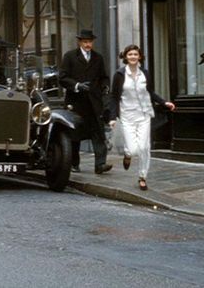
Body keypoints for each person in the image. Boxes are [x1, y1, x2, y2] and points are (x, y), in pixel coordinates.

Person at [108, 45, 175, 190]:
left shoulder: (145, 73)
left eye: (135, 54)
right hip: (127, 115)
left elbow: (150, 92)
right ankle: (127, 154)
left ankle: (142, 176)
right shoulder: (119, 75)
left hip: (144, 114)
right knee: (133, 149)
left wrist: (164, 102)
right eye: (130, 54)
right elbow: (114, 97)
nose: (133, 57)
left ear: (139, 57)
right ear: (126, 57)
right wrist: (112, 117)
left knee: (144, 147)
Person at [59, 29, 113, 174]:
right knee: (74, 133)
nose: (88, 44)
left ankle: (100, 164)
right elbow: (62, 78)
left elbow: (104, 77)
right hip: (76, 102)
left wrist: (105, 87)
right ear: (80, 42)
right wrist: (77, 85)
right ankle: (74, 163)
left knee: (98, 132)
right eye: (85, 42)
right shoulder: (70, 56)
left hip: (94, 102)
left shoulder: (98, 58)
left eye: (90, 42)